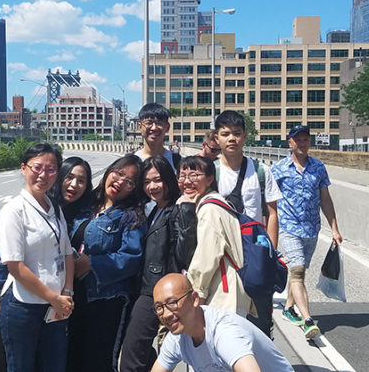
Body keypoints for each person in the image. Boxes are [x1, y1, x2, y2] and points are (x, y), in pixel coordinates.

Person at [0, 143, 75, 372]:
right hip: (24, 307)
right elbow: (15, 267)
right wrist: (54, 297)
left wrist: (67, 293)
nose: (43, 175)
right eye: (37, 167)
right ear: (23, 168)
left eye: (51, 169)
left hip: (56, 307)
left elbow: (67, 252)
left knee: (55, 366)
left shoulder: (54, 208)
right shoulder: (14, 211)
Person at [70, 154, 148, 371]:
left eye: (130, 181)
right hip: (74, 294)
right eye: (119, 173)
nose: (121, 182)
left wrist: (92, 263)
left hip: (106, 299)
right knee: (72, 355)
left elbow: (131, 258)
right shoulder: (85, 205)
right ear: (109, 171)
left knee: (98, 360)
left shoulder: (131, 216)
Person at [120, 156, 197, 372]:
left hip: (159, 288)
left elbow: (185, 254)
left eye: (158, 180)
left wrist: (187, 213)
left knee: (132, 353)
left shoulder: (178, 208)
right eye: (146, 182)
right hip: (147, 285)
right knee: (144, 351)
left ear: (169, 180)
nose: (152, 186)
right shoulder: (155, 209)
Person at [213, 110, 283, 338]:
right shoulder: (209, 171)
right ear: (217, 138)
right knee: (225, 320)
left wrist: (270, 252)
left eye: (236, 133)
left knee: (260, 321)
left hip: (255, 253)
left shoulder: (261, 170)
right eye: (225, 134)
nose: (231, 138)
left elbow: (272, 213)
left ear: (244, 136)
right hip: (223, 255)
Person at [271, 125, 343, 339]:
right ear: (289, 142)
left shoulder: (319, 168)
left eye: (305, 139)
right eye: (297, 140)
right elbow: (270, 202)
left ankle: (288, 308)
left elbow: (325, 199)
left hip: (311, 228)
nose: (301, 143)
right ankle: (308, 320)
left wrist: (335, 229)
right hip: (288, 227)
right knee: (298, 269)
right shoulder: (279, 169)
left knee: (298, 273)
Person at [150, 273, 294, 372]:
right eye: (159, 307)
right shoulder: (177, 338)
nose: (167, 314)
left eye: (173, 303)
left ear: (194, 299)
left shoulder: (224, 333)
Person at [179, 156, 254, 317]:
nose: (186, 181)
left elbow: (206, 256)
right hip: (229, 287)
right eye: (182, 176)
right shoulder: (216, 202)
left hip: (223, 292)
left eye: (194, 175)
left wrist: (197, 292)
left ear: (210, 179)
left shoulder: (210, 209)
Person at [46, 157, 94, 372]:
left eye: (82, 181)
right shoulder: (41, 205)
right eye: (70, 177)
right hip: (39, 291)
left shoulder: (88, 213)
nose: (75, 185)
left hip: (71, 294)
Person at [135, 103, 181, 171]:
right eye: (149, 123)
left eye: (159, 123)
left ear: (167, 127)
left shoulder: (178, 162)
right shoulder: (132, 162)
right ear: (140, 127)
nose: (154, 128)